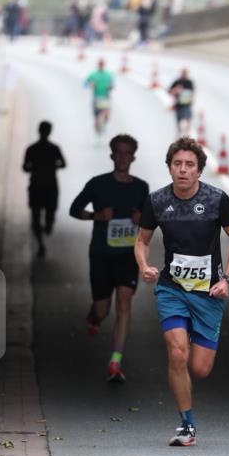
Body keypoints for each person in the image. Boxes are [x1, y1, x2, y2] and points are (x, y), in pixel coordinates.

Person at [135, 137, 229, 446]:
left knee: (200, 368)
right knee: (178, 352)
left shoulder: (216, 200)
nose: (183, 170)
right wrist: (144, 265)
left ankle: (188, 418)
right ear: (169, 167)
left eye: (189, 165)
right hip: (171, 289)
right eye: (177, 164)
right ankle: (186, 425)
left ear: (199, 170)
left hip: (208, 293)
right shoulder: (157, 201)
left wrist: (228, 279)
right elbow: (141, 240)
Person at [69, 134, 149, 383]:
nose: (123, 157)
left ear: (133, 157)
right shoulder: (98, 184)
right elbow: (74, 210)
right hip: (102, 253)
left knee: (124, 303)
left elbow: (150, 220)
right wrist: (97, 216)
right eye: (118, 152)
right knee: (103, 311)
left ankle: (115, 361)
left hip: (128, 255)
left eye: (128, 153)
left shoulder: (141, 187)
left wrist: (141, 219)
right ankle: (94, 315)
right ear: (112, 155)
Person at [23, 121, 67, 259]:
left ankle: (41, 243)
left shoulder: (31, 149)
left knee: (36, 217)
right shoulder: (54, 148)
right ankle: (46, 229)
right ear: (49, 132)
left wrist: (35, 168)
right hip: (50, 186)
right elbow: (63, 164)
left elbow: (25, 167)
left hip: (36, 186)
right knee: (50, 214)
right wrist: (53, 166)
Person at [85, 58, 115, 142]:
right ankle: (97, 135)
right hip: (96, 98)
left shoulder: (109, 74)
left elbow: (112, 85)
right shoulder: (93, 74)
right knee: (96, 118)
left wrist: (110, 87)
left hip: (105, 97)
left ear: (104, 65)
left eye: (102, 64)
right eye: (100, 64)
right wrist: (90, 84)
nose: (101, 65)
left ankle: (103, 125)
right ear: (98, 65)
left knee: (106, 116)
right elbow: (84, 84)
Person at [168, 67, 195, 136]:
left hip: (187, 106)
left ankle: (187, 137)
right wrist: (176, 90)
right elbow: (169, 92)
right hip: (178, 106)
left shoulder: (189, 82)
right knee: (179, 126)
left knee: (186, 123)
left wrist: (191, 99)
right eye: (183, 73)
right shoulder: (177, 82)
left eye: (185, 73)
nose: (184, 74)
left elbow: (192, 93)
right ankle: (180, 139)